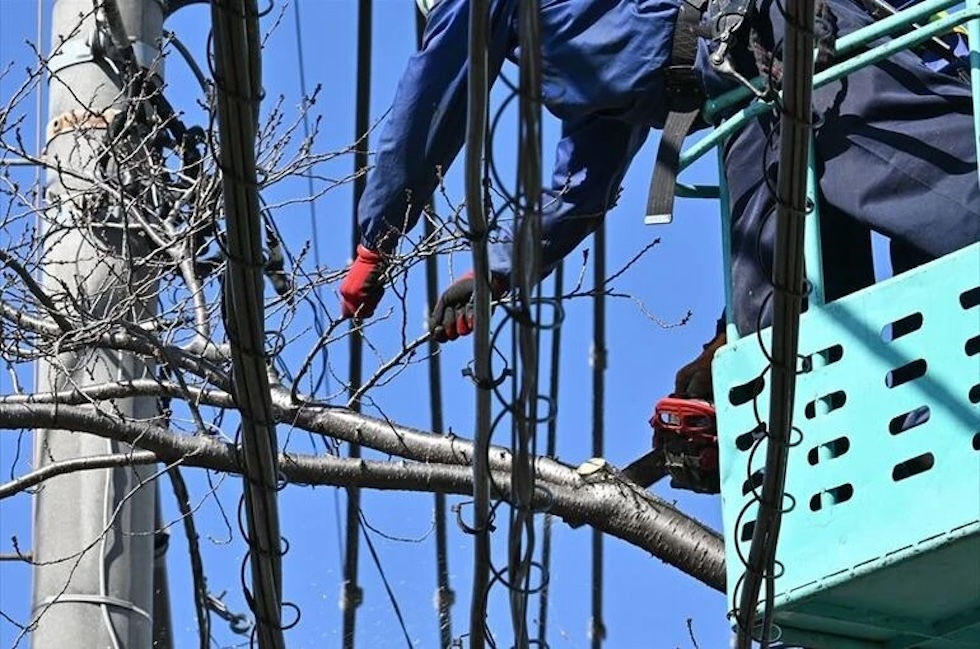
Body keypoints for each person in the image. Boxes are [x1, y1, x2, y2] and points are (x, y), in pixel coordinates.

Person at [338, 0, 980, 363]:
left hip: (786, 31)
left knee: (944, 201)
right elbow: (579, 183)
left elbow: (427, 104)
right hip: (746, 101)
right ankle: (832, 468)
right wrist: (500, 268)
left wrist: (378, 240)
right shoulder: (570, 41)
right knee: (775, 314)